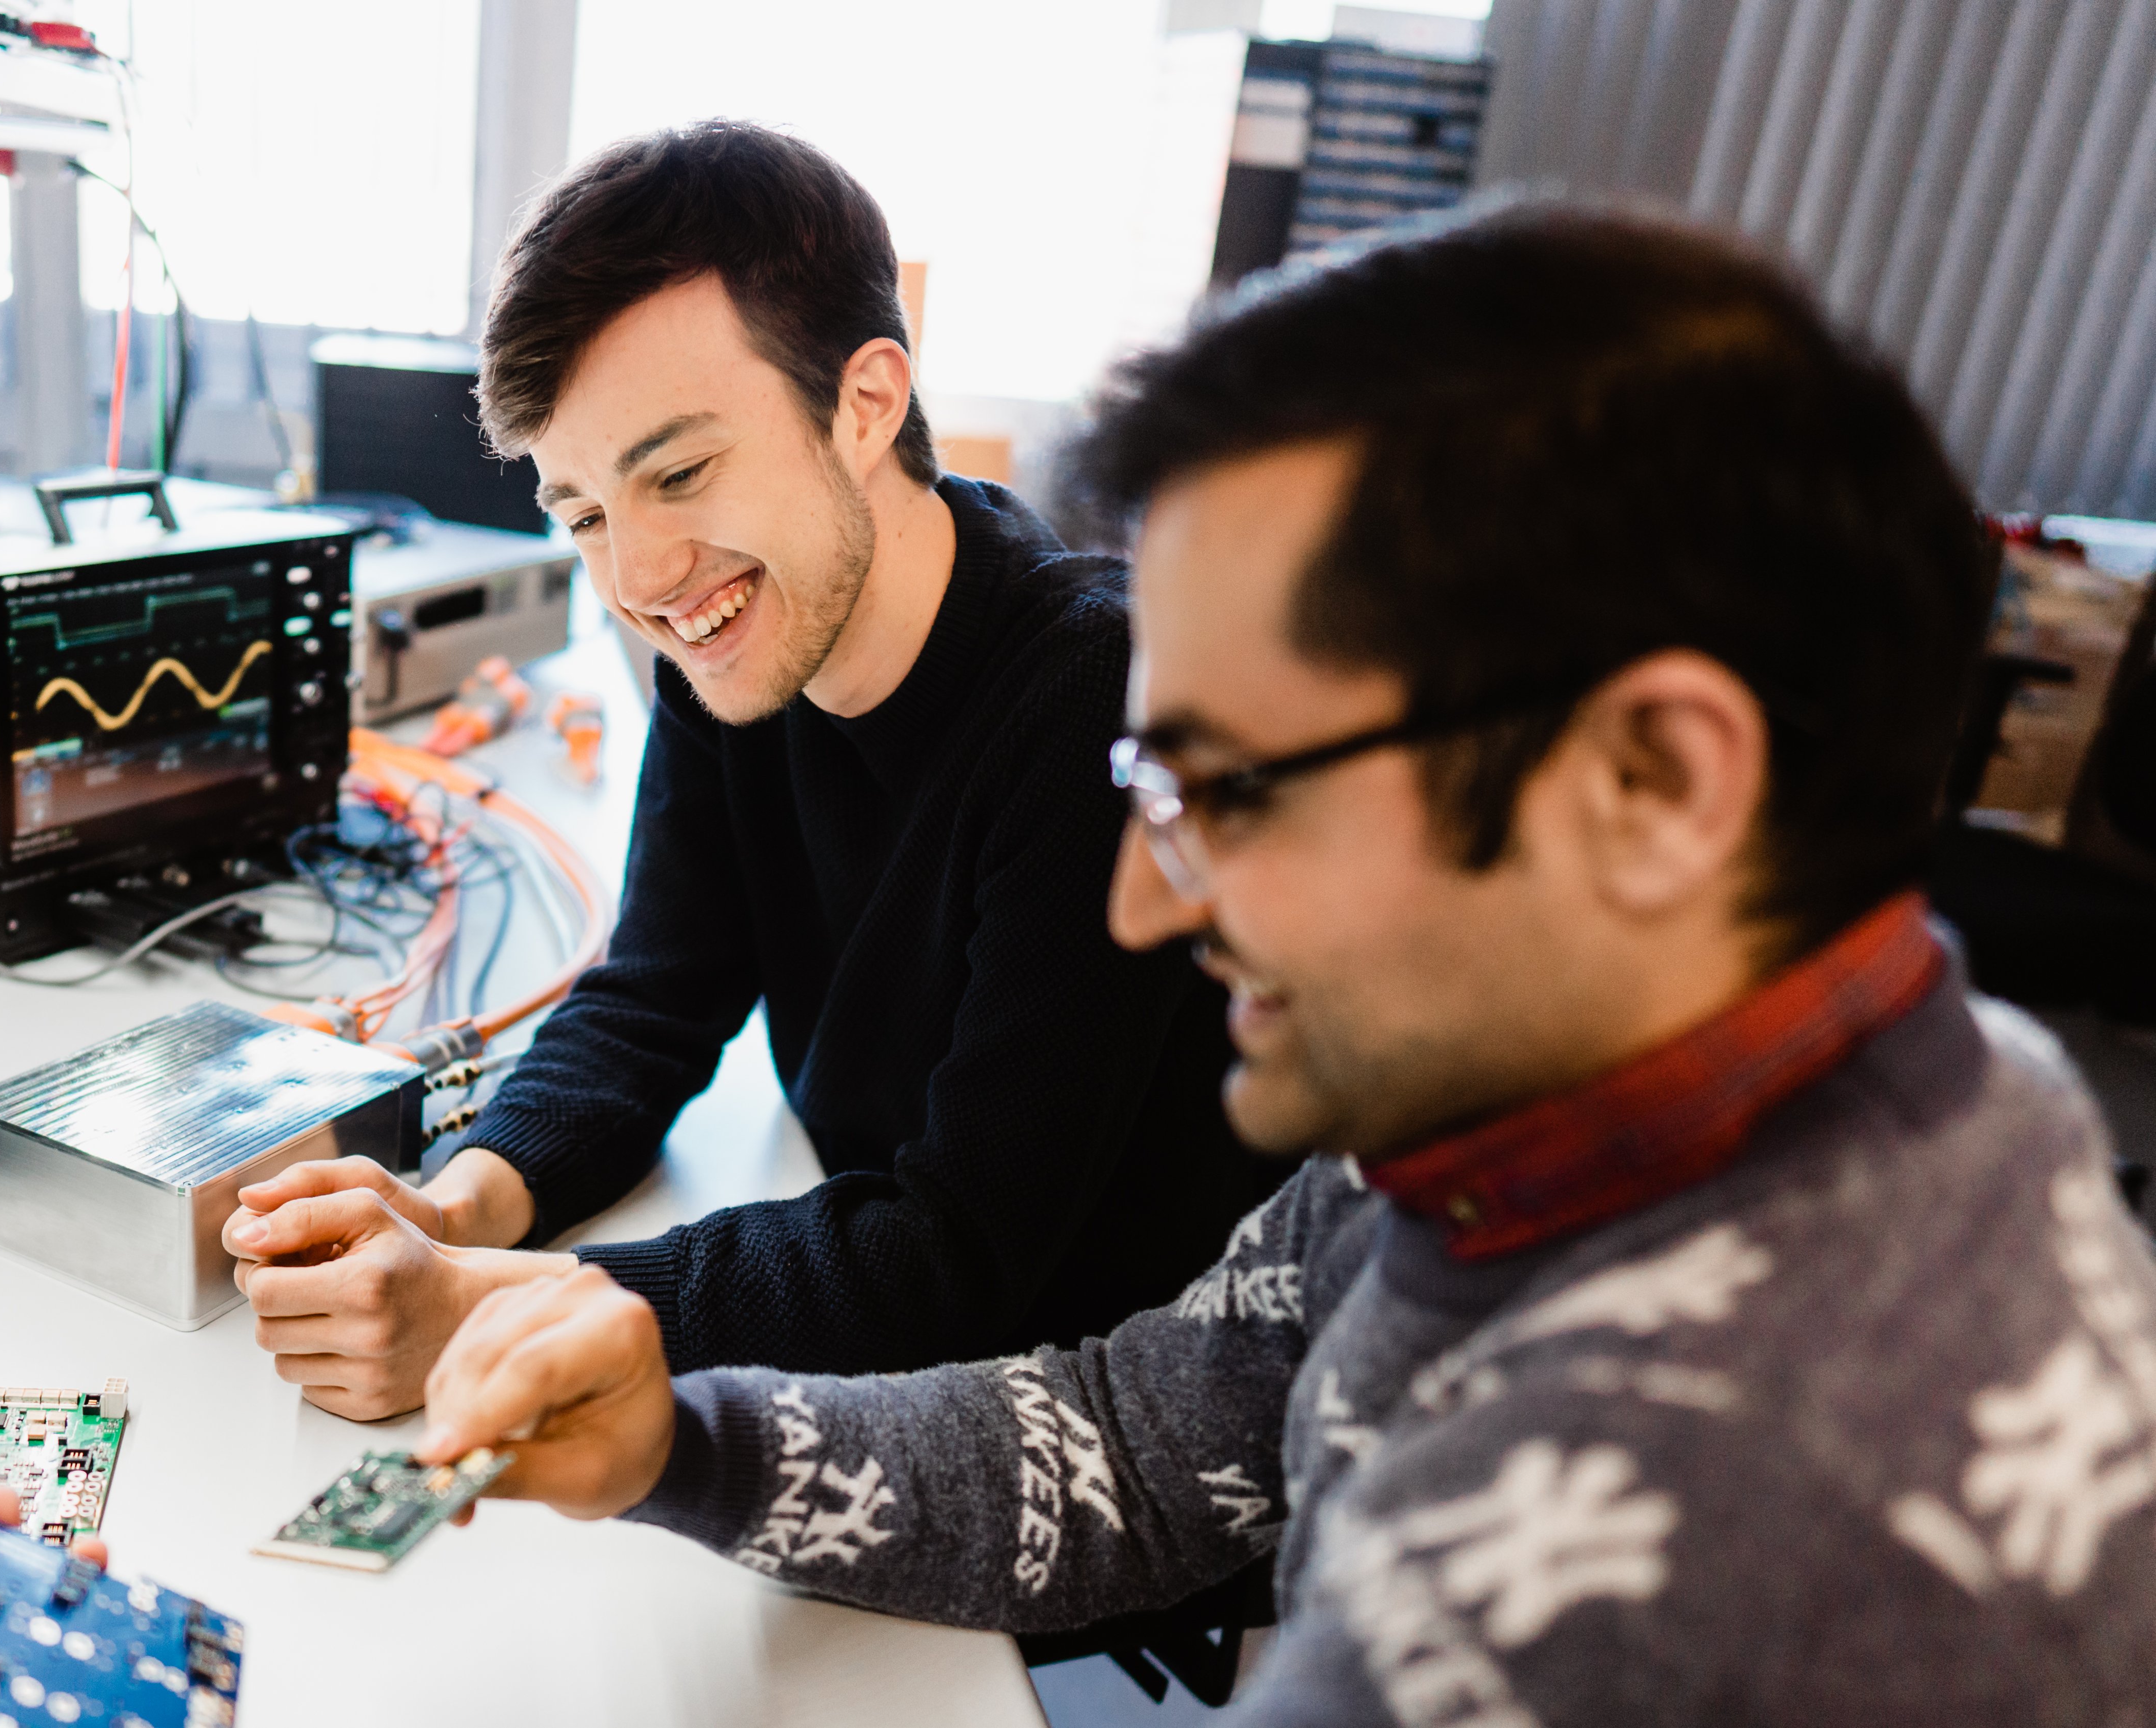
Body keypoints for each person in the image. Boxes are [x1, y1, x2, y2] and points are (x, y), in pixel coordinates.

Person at [410, 202, 2156, 1721]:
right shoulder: (1716, 1081)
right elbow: (1169, 1429)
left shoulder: (1640, 1572)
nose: (1149, 909)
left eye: (1233, 791)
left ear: (1656, 783)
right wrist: (682, 1443)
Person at [222, 122, 1271, 1421]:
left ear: (866, 402)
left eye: (681, 471)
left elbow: (953, 1257)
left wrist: (482, 1307)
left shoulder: (1088, 696)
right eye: (587, 515)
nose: (642, 581)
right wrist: (457, 1204)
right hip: (891, 1291)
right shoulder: (739, 650)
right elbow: (654, 996)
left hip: (1069, 1405)